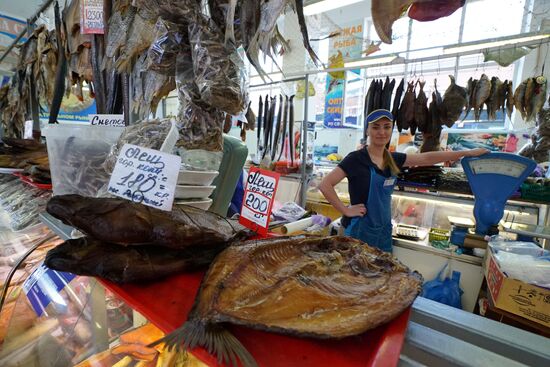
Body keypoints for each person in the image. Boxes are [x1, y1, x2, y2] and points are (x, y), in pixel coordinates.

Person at [319, 109, 488, 252]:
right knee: (354, 280)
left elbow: (427, 158)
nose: (381, 132)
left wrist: (467, 153)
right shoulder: (355, 159)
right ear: (367, 131)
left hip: (383, 230)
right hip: (358, 230)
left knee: (380, 277)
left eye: (386, 127)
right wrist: (346, 210)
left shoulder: (394, 159)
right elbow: (325, 185)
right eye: (376, 127)